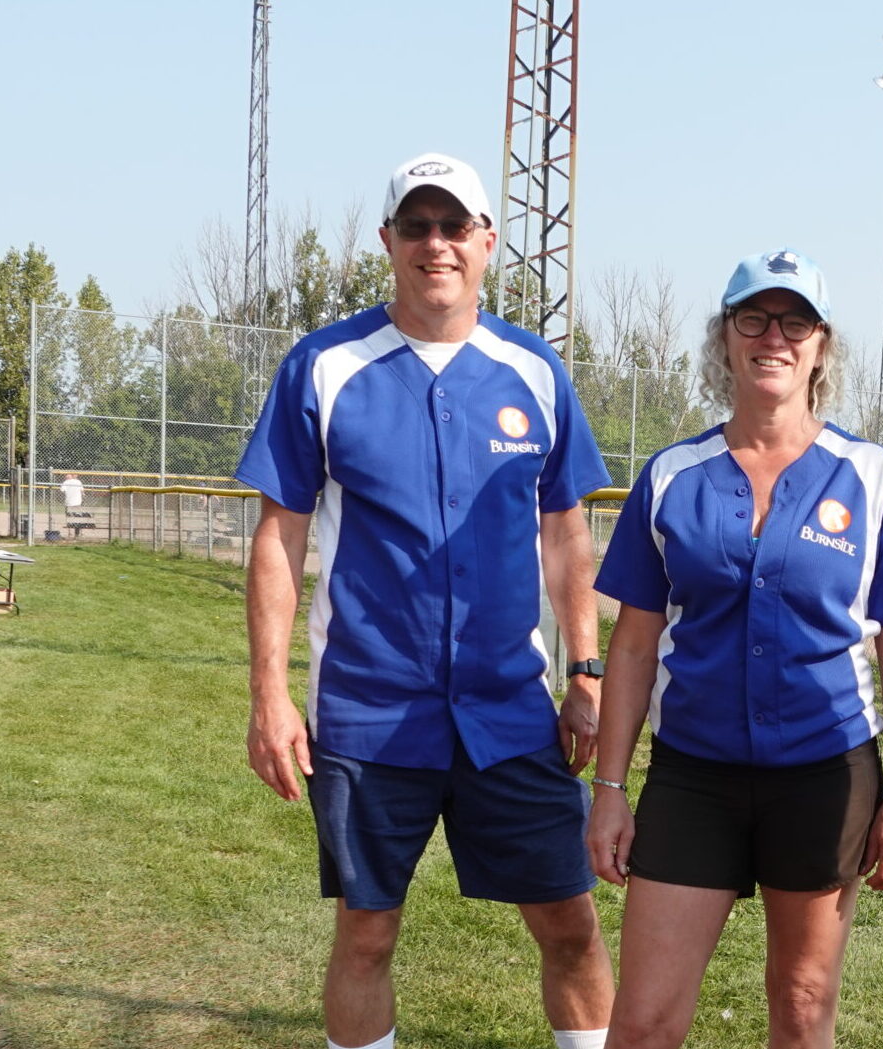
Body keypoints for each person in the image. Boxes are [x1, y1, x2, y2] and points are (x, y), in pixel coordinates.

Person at [236, 152, 614, 1049]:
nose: (436, 244)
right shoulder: (324, 365)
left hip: (510, 708)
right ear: (388, 241)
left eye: (455, 227)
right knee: (366, 932)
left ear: (488, 242)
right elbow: (279, 538)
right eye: (417, 225)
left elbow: (566, 536)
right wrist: (270, 693)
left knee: (569, 922)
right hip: (372, 709)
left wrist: (586, 669)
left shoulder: (531, 370)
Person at [586, 250, 883, 1049]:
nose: (773, 336)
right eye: (753, 317)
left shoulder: (871, 475)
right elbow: (636, 644)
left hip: (826, 773)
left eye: (795, 321)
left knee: (801, 1003)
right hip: (693, 774)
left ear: (821, 344)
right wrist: (610, 786)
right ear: (725, 337)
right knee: (643, 1021)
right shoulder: (674, 473)